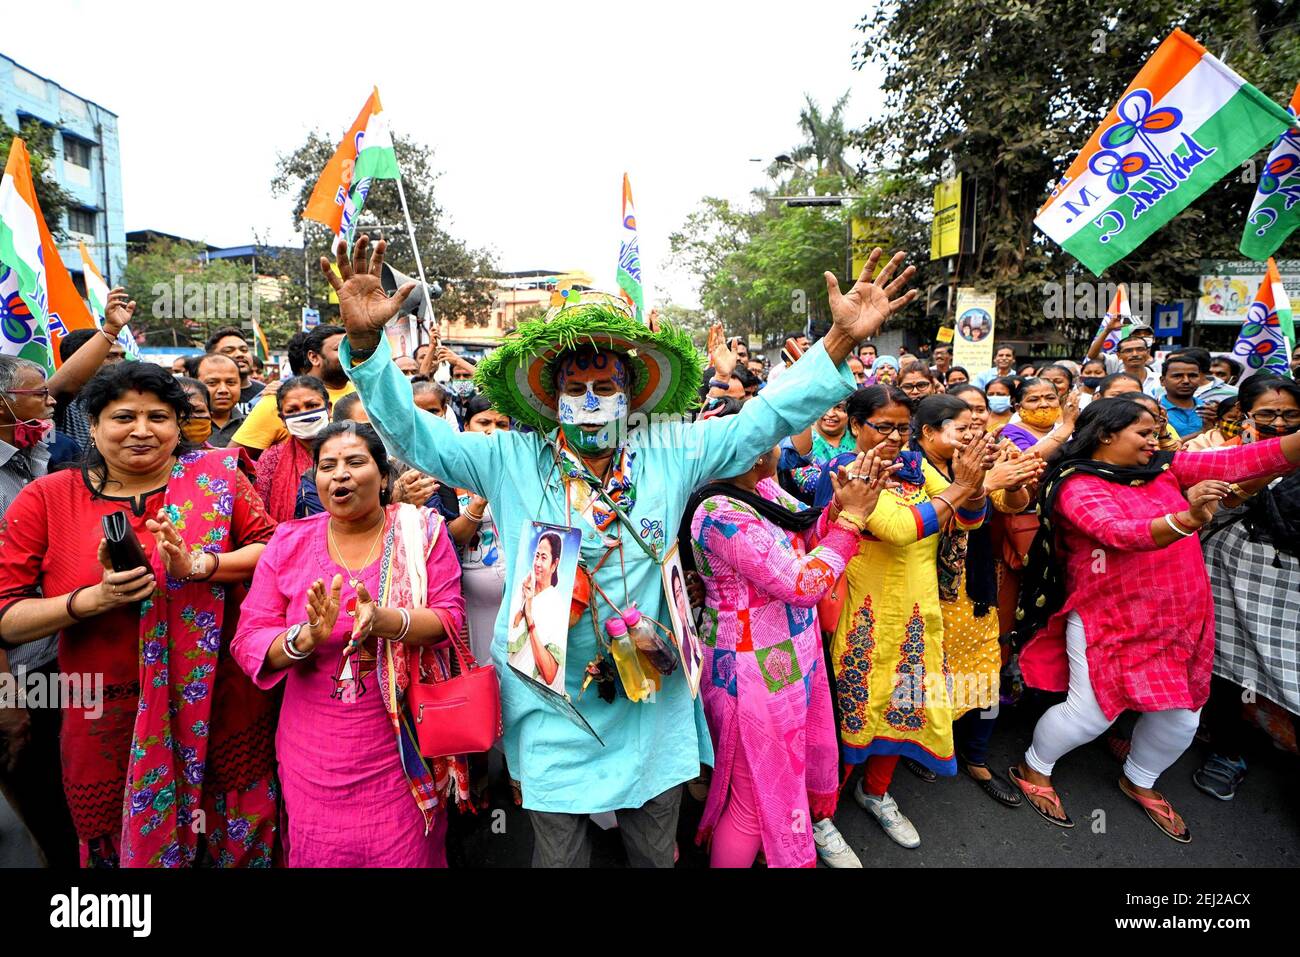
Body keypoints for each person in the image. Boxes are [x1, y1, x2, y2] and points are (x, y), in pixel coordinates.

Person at [324, 234, 916, 867]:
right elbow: (413, 434)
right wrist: (365, 348)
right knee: (558, 857)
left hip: (652, 696)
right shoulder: (507, 458)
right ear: (551, 399)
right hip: (551, 698)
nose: (588, 397)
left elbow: (762, 419)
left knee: (655, 853)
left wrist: (841, 341)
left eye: (603, 383)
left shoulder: (673, 449)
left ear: (630, 394)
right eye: (573, 385)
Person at [0, 361, 278, 866]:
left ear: (178, 425)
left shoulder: (219, 478)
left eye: (159, 417)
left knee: (230, 833)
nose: (142, 431)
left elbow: (275, 553)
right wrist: (93, 600)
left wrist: (199, 564)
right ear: (94, 423)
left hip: (221, 697)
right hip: (104, 713)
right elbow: (5, 614)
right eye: (124, 417)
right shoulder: (48, 498)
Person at [1009, 397, 1300, 841]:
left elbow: (1243, 457)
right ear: (1106, 435)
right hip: (1110, 618)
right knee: (1091, 714)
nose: (1155, 441)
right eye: (1144, 433)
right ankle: (1035, 767)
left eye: (1156, 432)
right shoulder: (1077, 485)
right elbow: (1119, 535)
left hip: (1181, 616)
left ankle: (1139, 779)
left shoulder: (1163, 467)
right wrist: (1188, 517)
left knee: (1181, 719)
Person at [232, 423, 466, 866]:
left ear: (383, 478)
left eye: (355, 463)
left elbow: (450, 618)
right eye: (327, 466)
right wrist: (304, 638)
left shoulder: (421, 534)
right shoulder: (288, 541)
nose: (339, 475)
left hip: (401, 745)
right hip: (314, 751)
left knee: (406, 852)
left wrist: (386, 620)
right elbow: (249, 639)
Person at [683, 434, 892, 868]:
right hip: (748, 671)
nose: (784, 445)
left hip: (790, 657)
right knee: (750, 806)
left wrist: (840, 506)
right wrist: (852, 520)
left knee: (773, 788)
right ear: (756, 452)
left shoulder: (760, 488)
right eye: (776, 437)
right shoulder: (721, 512)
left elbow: (804, 534)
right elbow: (803, 585)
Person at [813, 384, 992, 848]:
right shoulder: (843, 469)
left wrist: (969, 489)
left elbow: (968, 520)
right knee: (855, 709)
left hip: (918, 607)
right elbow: (897, 529)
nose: (894, 438)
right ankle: (821, 813)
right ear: (856, 426)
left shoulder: (914, 466)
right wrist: (964, 486)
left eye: (901, 428)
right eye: (883, 427)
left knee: (905, 702)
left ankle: (876, 794)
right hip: (863, 608)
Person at [913, 394, 1042, 807]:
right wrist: (986, 480)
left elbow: (1014, 505)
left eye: (975, 425)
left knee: (986, 670)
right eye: (961, 427)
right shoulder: (909, 469)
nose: (972, 434)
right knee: (928, 675)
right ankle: (924, 748)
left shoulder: (987, 459)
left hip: (978, 588)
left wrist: (1016, 480)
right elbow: (930, 518)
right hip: (926, 589)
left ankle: (977, 757)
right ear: (928, 433)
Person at [1192, 376, 1300, 800]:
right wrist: (1254, 472)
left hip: (1291, 594)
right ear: (1246, 416)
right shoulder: (1222, 457)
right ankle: (1227, 751)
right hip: (1229, 582)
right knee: (1227, 670)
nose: (1278, 422)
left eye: (1290, 415)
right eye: (1268, 414)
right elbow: (1199, 516)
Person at [0, 356, 79, 867]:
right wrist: (7, 699)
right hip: (17, 673)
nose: (51, 403)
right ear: (3, 403)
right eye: (38, 395)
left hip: (56, 661)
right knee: (39, 805)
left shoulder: (36, 457)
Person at [232, 325, 355, 457]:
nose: (349, 354)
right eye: (339, 349)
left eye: (351, 349)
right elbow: (234, 460)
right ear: (313, 357)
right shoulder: (276, 401)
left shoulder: (363, 395)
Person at [253, 375, 332, 523]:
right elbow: (261, 514)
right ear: (282, 419)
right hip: (287, 542)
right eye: (293, 410)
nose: (303, 414)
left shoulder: (349, 450)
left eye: (312, 406)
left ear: (328, 409)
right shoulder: (272, 457)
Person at [780, 398, 855, 502]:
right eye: (824, 406)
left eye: (839, 407)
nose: (830, 413)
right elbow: (806, 481)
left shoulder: (857, 435)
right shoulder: (803, 438)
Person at [1000, 378, 1081, 458]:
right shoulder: (1010, 431)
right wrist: (1068, 426)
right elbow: (1028, 459)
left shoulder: (1063, 428)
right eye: (1034, 400)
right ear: (1018, 408)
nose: (1044, 404)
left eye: (1050, 398)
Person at [206, 327, 265, 417]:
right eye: (229, 351)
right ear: (211, 357)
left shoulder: (265, 393)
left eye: (244, 350)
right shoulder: (202, 394)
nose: (239, 354)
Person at [196, 354, 246, 448]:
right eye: (212, 383)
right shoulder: (182, 427)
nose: (223, 390)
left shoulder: (251, 426)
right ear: (194, 384)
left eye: (230, 382)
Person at [1160, 353, 1209, 439]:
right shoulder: (1154, 412)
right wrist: (1204, 432)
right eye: (1177, 376)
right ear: (1162, 381)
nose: (1186, 381)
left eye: (1192, 376)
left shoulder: (1209, 410)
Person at [176, 377, 215, 446]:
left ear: (211, 414)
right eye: (181, 411)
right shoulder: (155, 456)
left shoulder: (224, 456)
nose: (189, 417)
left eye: (198, 411)